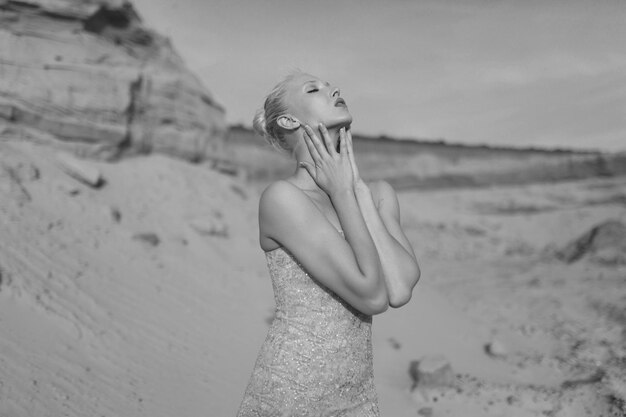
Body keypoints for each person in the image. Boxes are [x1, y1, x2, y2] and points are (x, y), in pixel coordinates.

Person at [236, 71, 420, 416]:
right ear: (289, 120)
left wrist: (355, 191)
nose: (333, 89)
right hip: (293, 390)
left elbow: (399, 289)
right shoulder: (283, 199)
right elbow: (372, 295)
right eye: (313, 89)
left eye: (331, 86)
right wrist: (341, 192)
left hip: (357, 394)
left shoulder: (378, 195)